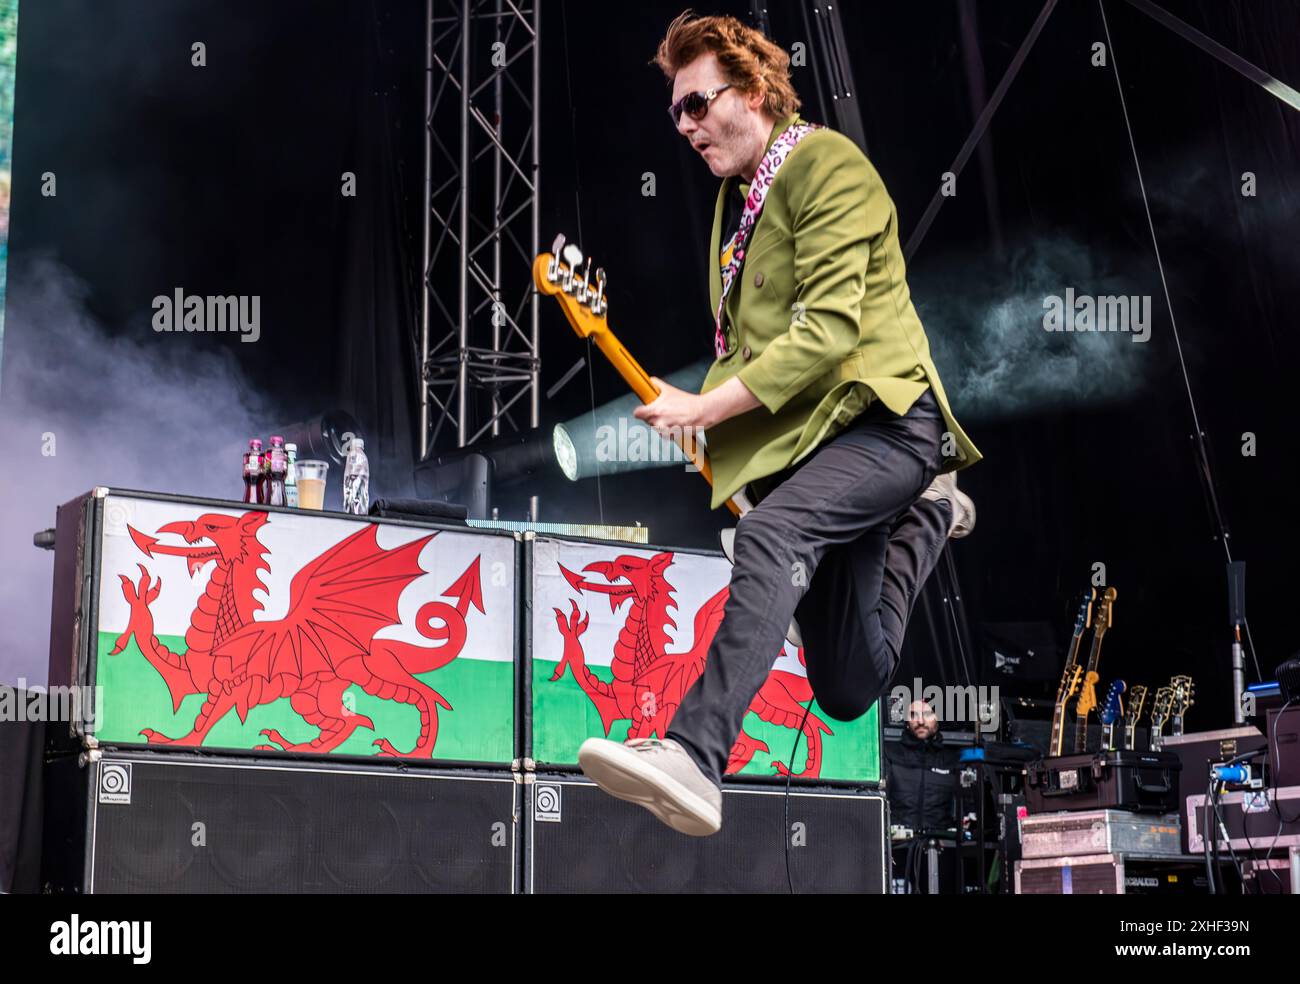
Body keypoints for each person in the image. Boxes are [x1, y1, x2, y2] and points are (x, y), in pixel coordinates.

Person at [577, 11, 981, 836]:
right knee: (843, 688)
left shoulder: (825, 163)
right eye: (675, 112)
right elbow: (748, 356)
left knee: (771, 541)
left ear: (755, 89)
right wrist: (706, 428)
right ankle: (934, 513)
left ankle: (693, 754)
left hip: (887, 425)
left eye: (698, 103)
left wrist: (703, 408)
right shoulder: (737, 205)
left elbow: (828, 331)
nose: (685, 126)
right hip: (816, 454)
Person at [886, 699, 961, 834]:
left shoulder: (953, 760)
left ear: (937, 719)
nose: (920, 721)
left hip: (942, 845)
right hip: (897, 846)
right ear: (907, 723)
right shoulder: (890, 754)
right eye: (914, 715)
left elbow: (968, 809)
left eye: (926, 714)